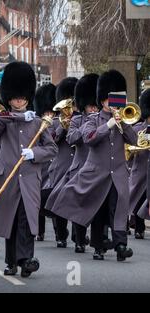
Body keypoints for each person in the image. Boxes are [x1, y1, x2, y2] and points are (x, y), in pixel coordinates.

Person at [0, 62, 57, 277]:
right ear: (9, 98)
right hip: (8, 179)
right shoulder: (3, 119)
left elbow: (52, 149)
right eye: (16, 98)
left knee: (26, 221)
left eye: (23, 98)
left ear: (27, 97)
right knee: (11, 220)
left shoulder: (38, 122)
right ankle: (11, 261)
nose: (19, 101)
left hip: (29, 179)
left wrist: (34, 154)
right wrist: (20, 116)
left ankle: (26, 259)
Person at [51, 70, 136, 262]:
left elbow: (133, 139)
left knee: (119, 208)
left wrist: (123, 125)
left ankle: (121, 245)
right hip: (98, 174)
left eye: (113, 99)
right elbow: (89, 139)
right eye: (107, 100)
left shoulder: (123, 120)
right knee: (99, 209)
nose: (110, 103)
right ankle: (99, 245)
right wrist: (109, 125)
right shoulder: (92, 120)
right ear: (102, 101)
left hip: (118, 174)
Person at [46, 74, 100, 253]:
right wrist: (63, 125)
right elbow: (52, 140)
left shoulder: (87, 120)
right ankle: (61, 235)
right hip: (62, 165)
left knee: (80, 202)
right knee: (60, 201)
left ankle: (79, 236)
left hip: (82, 165)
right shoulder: (54, 122)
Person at [33, 83, 57, 241]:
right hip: (41, 165)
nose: (49, 115)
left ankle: (59, 233)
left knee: (54, 201)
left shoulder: (58, 123)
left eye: (52, 112)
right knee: (37, 201)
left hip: (54, 167)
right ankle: (39, 231)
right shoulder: (36, 124)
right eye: (47, 112)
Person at [129, 88, 150, 239]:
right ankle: (138, 227)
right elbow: (128, 147)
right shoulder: (137, 129)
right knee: (138, 198)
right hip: (140, 168)